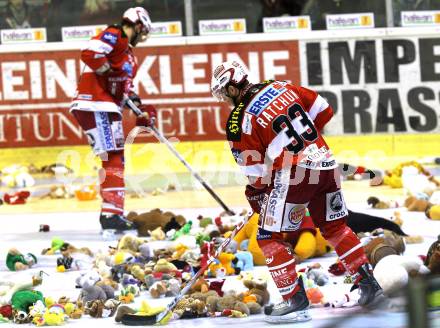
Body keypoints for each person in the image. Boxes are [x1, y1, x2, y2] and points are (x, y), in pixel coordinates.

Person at [210, 61, 384, 323]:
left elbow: (257, 176)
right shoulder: (280, 86)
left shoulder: (239, 121)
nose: (225, 100)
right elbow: (324, 110)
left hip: (294, 174)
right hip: (325, 163)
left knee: (268, 237)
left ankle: (294, 300)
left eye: (224, 94)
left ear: (234, 89)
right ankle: (370, 285)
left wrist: (258, 195)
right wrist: (302, 141)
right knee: (335, 228)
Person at [70, 7, 157, 232]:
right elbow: (89, 52)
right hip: (95, 103)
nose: (143, 37)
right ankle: (110, 215)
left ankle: (112, 212)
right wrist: (108, 71)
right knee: (113, 158)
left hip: (107, 107)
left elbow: (127, 90)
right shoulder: (115, 35)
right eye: (143, 31)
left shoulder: (130, 57)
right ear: (137, 26)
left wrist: (141, 111)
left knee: (115, 157)